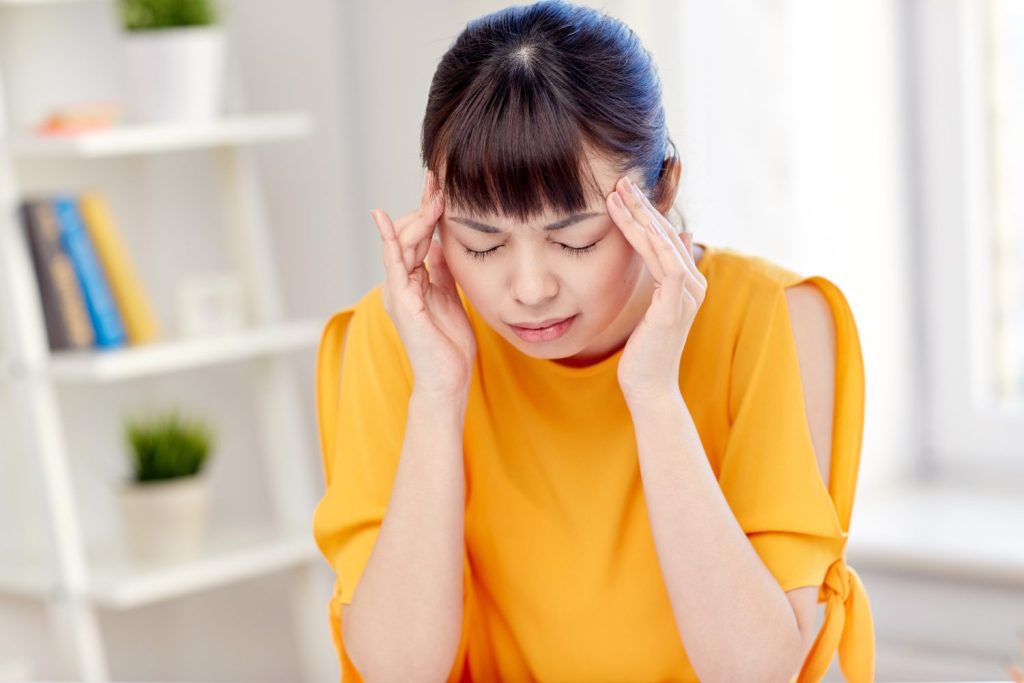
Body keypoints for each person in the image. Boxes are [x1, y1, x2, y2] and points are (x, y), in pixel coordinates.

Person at [312, 2, 875, 681]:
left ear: (662, 190)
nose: (528, 287)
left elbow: (753, 669)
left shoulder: (775, 322)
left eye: (574, 238)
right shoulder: (401, 333)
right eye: (480, 242)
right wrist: (438, 394)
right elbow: (400, 670)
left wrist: (654, 395)